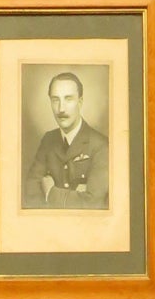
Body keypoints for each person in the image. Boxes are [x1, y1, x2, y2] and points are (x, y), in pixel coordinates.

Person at [23, 71, 110, 209]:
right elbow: (30, 194)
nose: (61, 109)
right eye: (55, 100)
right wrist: (75, 197)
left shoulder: (101, 145)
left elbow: (93, 203)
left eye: (68, 99)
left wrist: (50, 193)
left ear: (80, 102)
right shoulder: (48, 140)